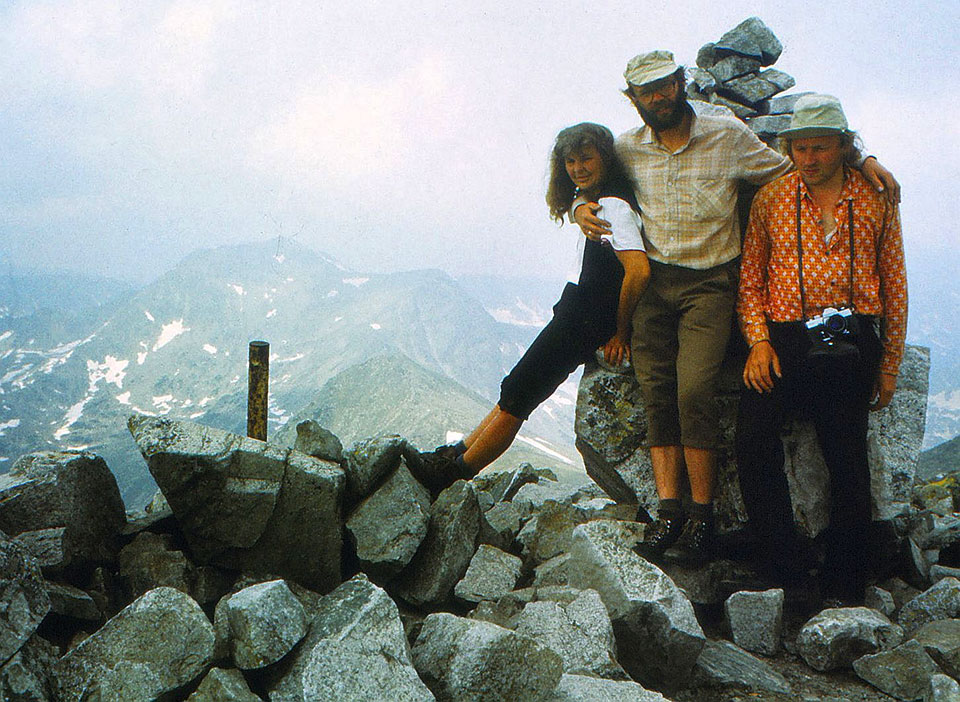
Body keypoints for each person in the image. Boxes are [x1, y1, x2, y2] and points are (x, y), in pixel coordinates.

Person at [574, 51, 900, 566]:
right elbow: (586, 172)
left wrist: (863, 158)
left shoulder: (727, 134)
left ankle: (704, 518)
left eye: (665, 85)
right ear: (633, 99)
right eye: (645, 91)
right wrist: (578, 205)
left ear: (681, 83)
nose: (657, 97)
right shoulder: (627, 148)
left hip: (712, 282)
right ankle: (669, 513)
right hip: (654, 284)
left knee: (696, 388)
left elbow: (796, 165)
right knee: (655, 389)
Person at [413, 122, 650, 498]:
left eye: (586, 158)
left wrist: (620, 332)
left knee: (520, 396)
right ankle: (453, 456)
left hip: (585, 320)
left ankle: (453, 475)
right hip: (578, 313)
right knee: (516, 389)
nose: (578, 168)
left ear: (605, 158)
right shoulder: (599, 200)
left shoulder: (615, 208)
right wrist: (577, 206)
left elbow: (638, 271)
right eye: (570, 161)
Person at [734, 94, 907, 602]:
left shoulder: (875, 198)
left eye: (820, 148)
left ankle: (848, 576)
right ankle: (782, 568)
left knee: (846, 450)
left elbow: (894, 282)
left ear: (844, 147)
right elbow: (751, 281)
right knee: (751, 438)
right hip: (786, 338)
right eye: (800, 148)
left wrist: (890, 364)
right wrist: (759, 342)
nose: (808, 159)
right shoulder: (772, 199)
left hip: (852, 335)